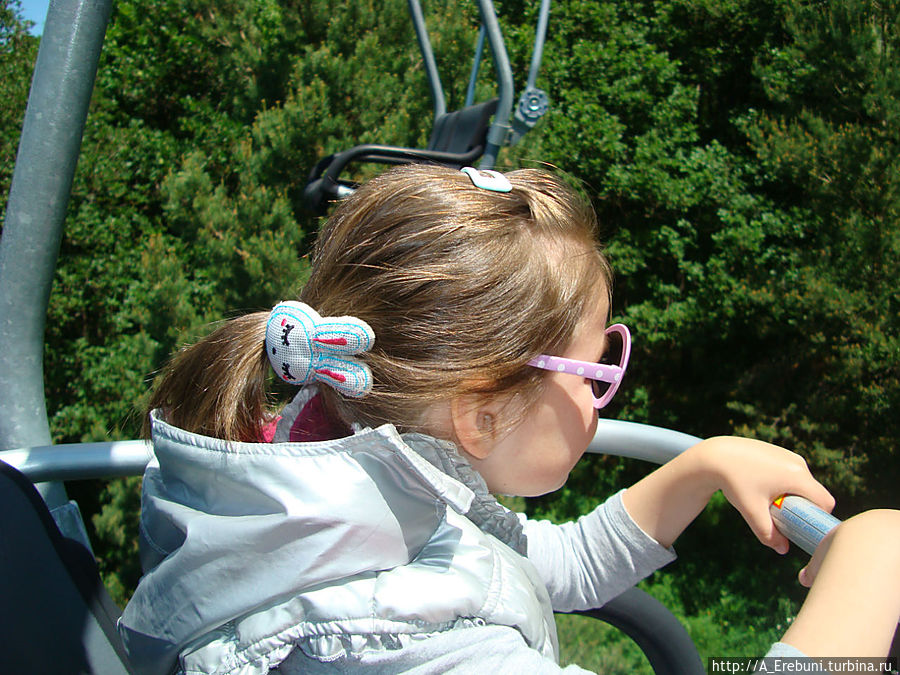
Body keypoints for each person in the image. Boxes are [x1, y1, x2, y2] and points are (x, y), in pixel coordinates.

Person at [118, 165, 900, 675]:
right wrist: (869, 583)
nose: (605, 396)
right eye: (596, 372)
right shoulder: (398, 637)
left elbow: (552, 562)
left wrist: (704, 465)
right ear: (483, 416)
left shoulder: (360, 476)